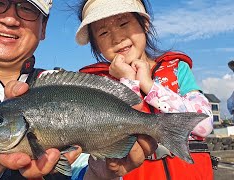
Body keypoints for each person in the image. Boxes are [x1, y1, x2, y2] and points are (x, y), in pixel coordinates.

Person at [0, 0, 157, 179]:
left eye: (27, 8)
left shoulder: (61, 82)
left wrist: (101, 173)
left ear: (43, 28)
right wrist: (3, 148)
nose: (10, 18)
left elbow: (81, 165)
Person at [74, 0, 214, 179]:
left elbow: (204, 124)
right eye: (103, 32)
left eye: (123, 23)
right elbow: (122, 128)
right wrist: (129, 81)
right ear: (96, 45)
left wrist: (149, 86)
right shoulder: (98, 85)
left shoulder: (178, 69)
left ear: (145, 24)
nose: (117, 38)